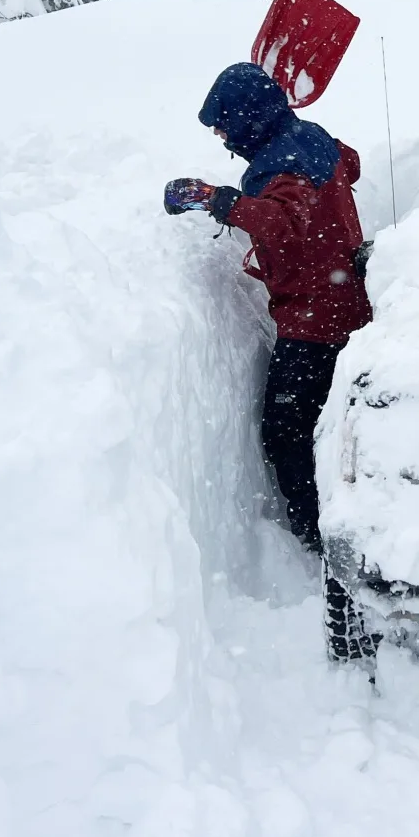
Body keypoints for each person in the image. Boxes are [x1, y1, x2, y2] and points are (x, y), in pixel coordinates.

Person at [164, 61, 378, 662]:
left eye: (224, 126)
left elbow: (283, 224)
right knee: (334, 429)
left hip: (315, 320)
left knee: (287, 432)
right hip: (350, 307)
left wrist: (219, 200)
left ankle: (315, 541)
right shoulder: (314, 143)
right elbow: (351, 163)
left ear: (249, 120)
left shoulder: (282, 165)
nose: (222, 139)